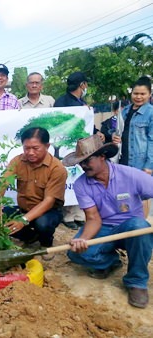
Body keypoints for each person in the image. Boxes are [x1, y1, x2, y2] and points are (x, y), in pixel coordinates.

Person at [63, 135, 153, 309]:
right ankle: (111, 261)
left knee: (141, 226)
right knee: (76, 253)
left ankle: (136, 282)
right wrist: (84, 240)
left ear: (102, 157)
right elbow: (93, 218)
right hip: (104, 227)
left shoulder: (130, 175)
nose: (83, 166)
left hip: (131, 228)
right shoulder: (81, 184)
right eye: (81, 162)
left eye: (87, 160)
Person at [0, 127, 67, 248]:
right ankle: (30, 237)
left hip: (47, 211)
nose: (30, 152)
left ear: (47, 146)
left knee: (43, 224)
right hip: (24, 208)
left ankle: (46, 244)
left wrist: (23, 220)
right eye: (26, 148)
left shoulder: (57, 168)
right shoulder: (18, 161)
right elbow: (4, 181)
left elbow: (49, 201)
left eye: (35, 148)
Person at [54, 71, 103, 230]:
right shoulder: (62, 102)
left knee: (80, 177)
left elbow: (86, 124)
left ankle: (79, 214)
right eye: (85, 84)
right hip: (66, 147)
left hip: (82, 148)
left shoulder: (81, 103)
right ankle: (68, 214)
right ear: (82, 84)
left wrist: (96, 132)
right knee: (68, 178)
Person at [113, 76, 153, 217]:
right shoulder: (125, 111)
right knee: (124, 194)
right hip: (123, 160)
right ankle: (127, 223)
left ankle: (141, 226)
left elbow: (152, 141)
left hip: (140, 162)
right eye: (136, 93)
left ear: (149, 94)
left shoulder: (150, 113)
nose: (139, 97)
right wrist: (114, 136)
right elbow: (118, 131)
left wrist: (149, 166)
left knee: (142, 196)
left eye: (143, 94)